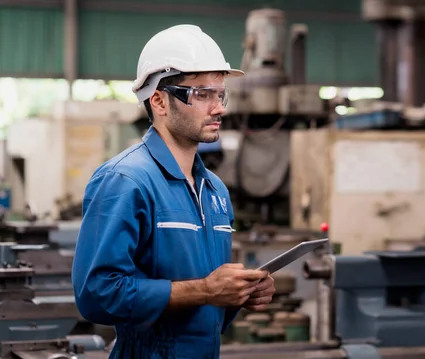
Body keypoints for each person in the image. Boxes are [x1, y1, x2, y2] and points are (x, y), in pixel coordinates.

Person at [71, 24, 276, 358]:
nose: (219, 108)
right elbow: (96, 294)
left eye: (220, 94)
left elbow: (209, 311)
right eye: (201, 94)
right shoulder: (126, 180)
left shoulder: (215, 190)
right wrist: (205, 290)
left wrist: (240, 295)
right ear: (159, 101)